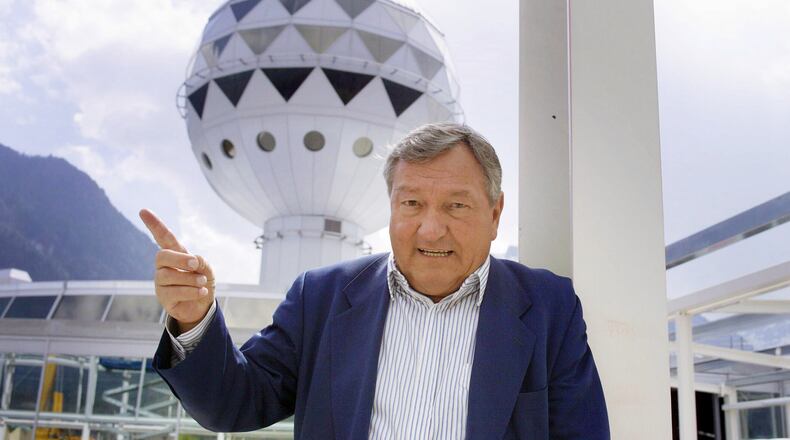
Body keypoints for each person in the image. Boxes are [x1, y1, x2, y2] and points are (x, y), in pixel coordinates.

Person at [140, 122, 609, 439]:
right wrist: (194, 318)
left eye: (456, 205)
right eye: (411, 204)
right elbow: (234, 405)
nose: (430, 228)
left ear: (495, 212)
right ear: (390, 207)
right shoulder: (320, 298)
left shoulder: (549, 306)